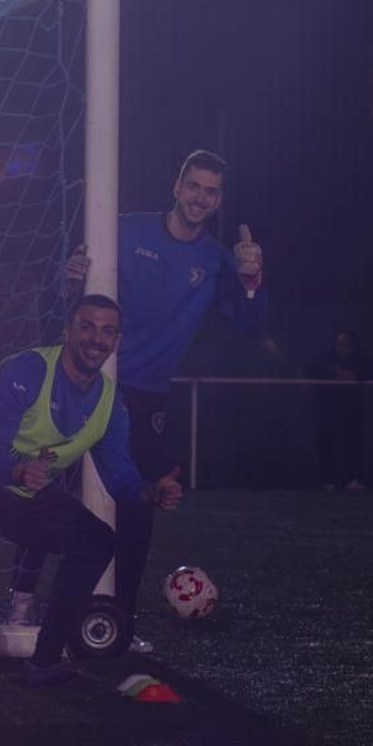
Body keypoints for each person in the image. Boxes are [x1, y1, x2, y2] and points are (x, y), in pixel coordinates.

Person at [0, 296, 184, 694]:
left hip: (18, 488)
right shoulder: (26, 370)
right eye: (87, 326)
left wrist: (149, 493)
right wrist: (18, 469)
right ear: (67, 331)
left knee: (97, 542)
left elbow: (119, 475)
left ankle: (45, 660)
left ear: (116, 340)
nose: (96, 339)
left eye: (107, 331)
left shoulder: (111, 403)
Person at [56, 149, 264, 645]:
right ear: (176, 186)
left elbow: (251, 325)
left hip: (145, 396)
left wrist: (252, 277)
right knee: (57, 491)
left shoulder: (215, 260)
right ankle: (26, 600)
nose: (200, 197)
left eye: (211, 191)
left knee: (138, 505)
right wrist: (68, 279)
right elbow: (67, 297)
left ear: (219, 200)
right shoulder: (122, 231)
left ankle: (120, 620)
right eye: (193, 185)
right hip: (88, 382)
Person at [307, 328, 373, 491]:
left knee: (353, 446)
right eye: (339, 343)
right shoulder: (326, 358)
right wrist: (335, 373)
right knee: (327, 445)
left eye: (345, 343)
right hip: (328, 409)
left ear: (351, 345)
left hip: (351, 410)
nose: (342, 346)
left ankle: (353, 479)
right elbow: (312, 369)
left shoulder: (359, 358)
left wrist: (354, 374)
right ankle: (327, 480)